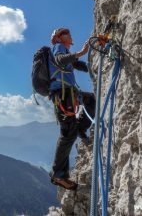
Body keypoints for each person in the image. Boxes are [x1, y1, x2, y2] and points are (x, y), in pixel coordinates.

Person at [48, 27, 95, 190]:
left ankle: (81, 129)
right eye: (66, 33)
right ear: (59, 38)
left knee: (91, 100)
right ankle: (58, 174)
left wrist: (93, 64)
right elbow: (61, 60)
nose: (70, 35)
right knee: (67, 134)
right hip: (63, 95)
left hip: (68, 94)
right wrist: (81, 52)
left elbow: (77, 64)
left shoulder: (63, 52)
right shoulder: (58, 48)